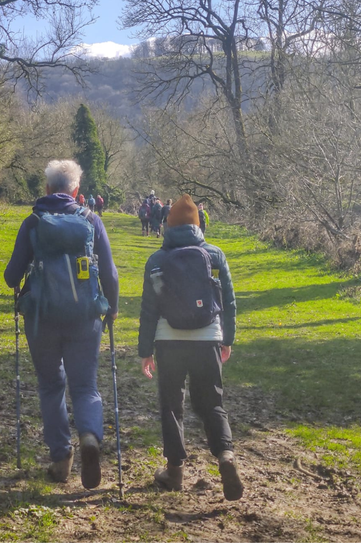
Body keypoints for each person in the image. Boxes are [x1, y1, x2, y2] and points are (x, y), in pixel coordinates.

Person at [4, 159, 119, 488]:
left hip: (42, 319)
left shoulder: (33, 222)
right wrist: (110, 310)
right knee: (85, 387)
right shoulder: (91, 220)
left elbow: (12, 275)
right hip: (85, 318)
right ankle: (90, 438)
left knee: (51, 386)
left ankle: (61, 459)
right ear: (76, 191)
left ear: (47, 189)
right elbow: (110, 273)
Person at [138, 194, 243, 501]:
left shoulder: (157, 261)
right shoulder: (215, 255)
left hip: (168, 342)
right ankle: (225, 456)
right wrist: (227, 339)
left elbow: (148, 309)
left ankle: (174, 472)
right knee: (212, 402)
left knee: (172, 405)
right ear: (198, 225)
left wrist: (146, 350)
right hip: (207, 337)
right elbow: (229, 304)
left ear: (168, 226)